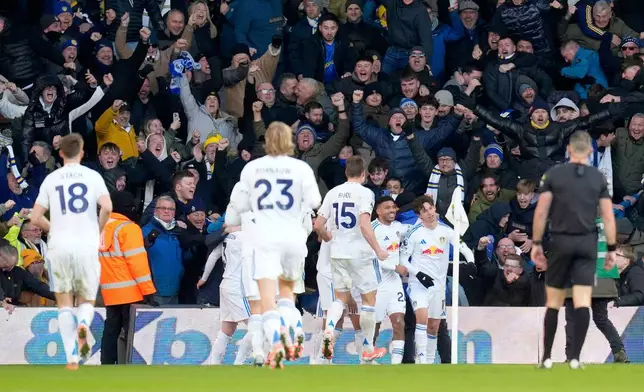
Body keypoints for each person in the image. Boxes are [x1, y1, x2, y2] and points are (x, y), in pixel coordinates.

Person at [227, 121, 321, 369]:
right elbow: (314, 201)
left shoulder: (251, 173)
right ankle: (296, 333)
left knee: (263, 303)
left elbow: (234, 212)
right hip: (292, 243)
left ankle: (269, 348)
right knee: (287, 299)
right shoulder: (299, 168)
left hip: (263, 246)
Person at [531, 131, 617, 370]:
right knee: (581, 301)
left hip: (561, 241)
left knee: (555, 301)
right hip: (587, 243)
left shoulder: (554, 174)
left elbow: (541, 211)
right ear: (590, 151)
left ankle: (547, 358)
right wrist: (611, 248)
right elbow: (608, 217)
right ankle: (576, 358)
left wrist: (536, 243)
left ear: (568, 149)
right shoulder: (598, 177)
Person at [29, 133, 113, 370]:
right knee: (86, 298)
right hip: (85, 243)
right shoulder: (92, 176)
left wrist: (54, 227)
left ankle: (72, 357)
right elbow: (107, 206)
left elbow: (36, 217)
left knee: (64, 302)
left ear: (61, 153)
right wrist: (97, 228)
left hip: (60, 245)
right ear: (83, 152)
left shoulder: (51, 179)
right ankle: (83, 328)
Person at [313, 156, 389, 363]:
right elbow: (365, 224)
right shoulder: (366, 193)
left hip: (338, 254)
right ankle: (368, 350)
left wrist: (329, 238)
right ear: (363, 174)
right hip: (360, 254)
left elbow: (318, 225)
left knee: (340, 299)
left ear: (346, 173)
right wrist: (378, 250)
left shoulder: (332, 193)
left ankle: (329, 328)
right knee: (368, 301)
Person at [400, 195, 474, 364]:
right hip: (418, 285)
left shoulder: (447, 231)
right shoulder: (414, 234)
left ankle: (429, 362)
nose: (429, 213)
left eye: (430, 208)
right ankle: (421, 361)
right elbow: (403, 260)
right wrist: (418, 274)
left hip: (438, 286)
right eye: (424, 211)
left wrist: (471, 262)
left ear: (435, 208)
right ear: (419, 215)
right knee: (422, 318)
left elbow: (463, 248)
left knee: (434, 327)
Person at [372, 196, 407, 364]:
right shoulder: (372, 230)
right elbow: (373, 258)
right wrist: (395, 267)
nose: (392, 210)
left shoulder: (399, 228)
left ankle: (395, 365)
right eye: (387, 208)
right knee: (375, 326)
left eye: (393, 207)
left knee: (399, 322)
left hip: (395, 284)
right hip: (377, 284)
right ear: (378, 211)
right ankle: (368, 358)